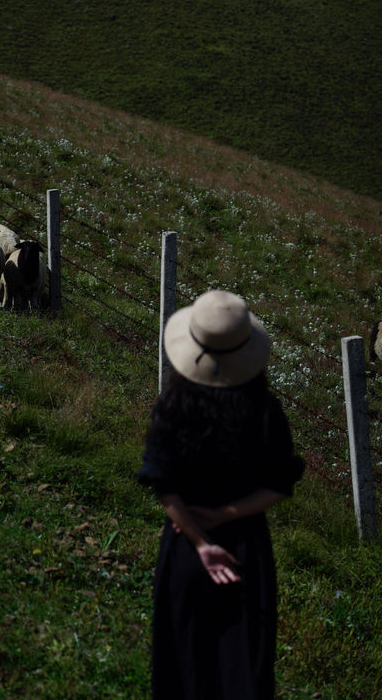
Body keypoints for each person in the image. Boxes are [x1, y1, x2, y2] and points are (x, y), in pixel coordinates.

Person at [138, 289, 304, 700]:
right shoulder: (265, 412)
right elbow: (280, 485)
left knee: (184, 662)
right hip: (245, 550)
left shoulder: (173, 406)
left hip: (185, 548)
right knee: (241, 667)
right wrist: (225, 515)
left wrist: (198, 536)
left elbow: (165, 487)